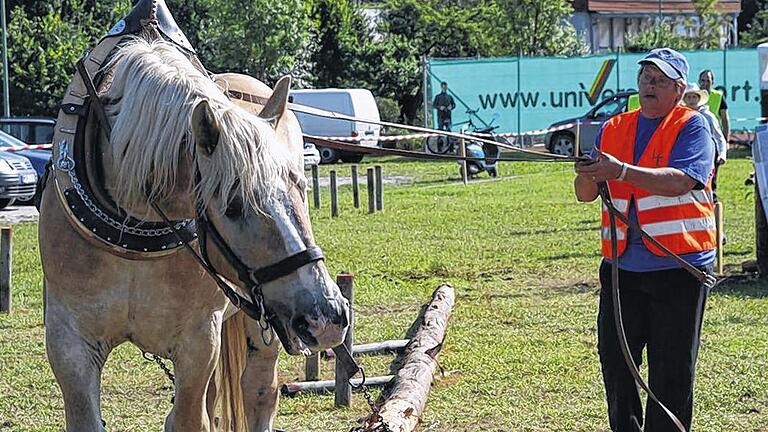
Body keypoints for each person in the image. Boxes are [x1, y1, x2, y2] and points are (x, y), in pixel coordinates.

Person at [574, 48, 715, 432]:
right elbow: (585, 194)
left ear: (678, 89)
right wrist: (588, 173)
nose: (649, 86)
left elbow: (682, 181)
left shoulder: (693, 126)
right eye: (646, 78)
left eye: (660, 81)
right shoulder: (613, 127)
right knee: (617, 364)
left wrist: (619, 169)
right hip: (622, 268)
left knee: (671, 370)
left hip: (679, 267)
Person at [683, 82, 727, 203]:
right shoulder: (681, 116)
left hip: (708, 155)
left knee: (709, 185)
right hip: (689, 155)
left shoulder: (708, 116)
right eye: (688, 97)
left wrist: (722, 154)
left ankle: (713, 209)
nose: (691, 100)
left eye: (694, 97)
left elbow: (719, 136)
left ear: (699, 99)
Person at [698, 69, 730, 142]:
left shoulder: (719, 96)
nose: (705, 83)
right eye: (703, 80)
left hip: (714, 135)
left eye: (708, 81)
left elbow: (725, 119)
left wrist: (726, 140)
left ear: (712, 82)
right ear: (699, 81)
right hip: (698, 134)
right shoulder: (693, 95)